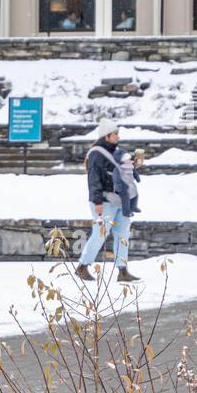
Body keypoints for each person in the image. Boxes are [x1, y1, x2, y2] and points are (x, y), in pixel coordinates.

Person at [74, 119, 140, 283]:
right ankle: (82, 266)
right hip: (103, 201)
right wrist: (97, 202)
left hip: (119, 200)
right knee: (100, 234)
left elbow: (117, 173)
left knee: (123, 233)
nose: (118, 136)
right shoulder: (96, 153)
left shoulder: (115, 152)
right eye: (115, 134)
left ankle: (122, 270)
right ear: (107, 136)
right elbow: (94, 179)